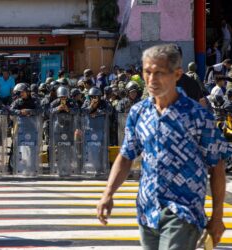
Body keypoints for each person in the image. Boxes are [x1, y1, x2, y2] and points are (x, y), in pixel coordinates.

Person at [97, 44, 228, 249]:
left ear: (177, 74)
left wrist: (217, 216)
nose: (151, 79)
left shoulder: (197, 115)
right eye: (147, 72)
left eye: (159, 73)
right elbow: (126, 156)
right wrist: (108, 193)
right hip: (148, 211)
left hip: (184, 211)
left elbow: (217, 165)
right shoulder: (139, 113)